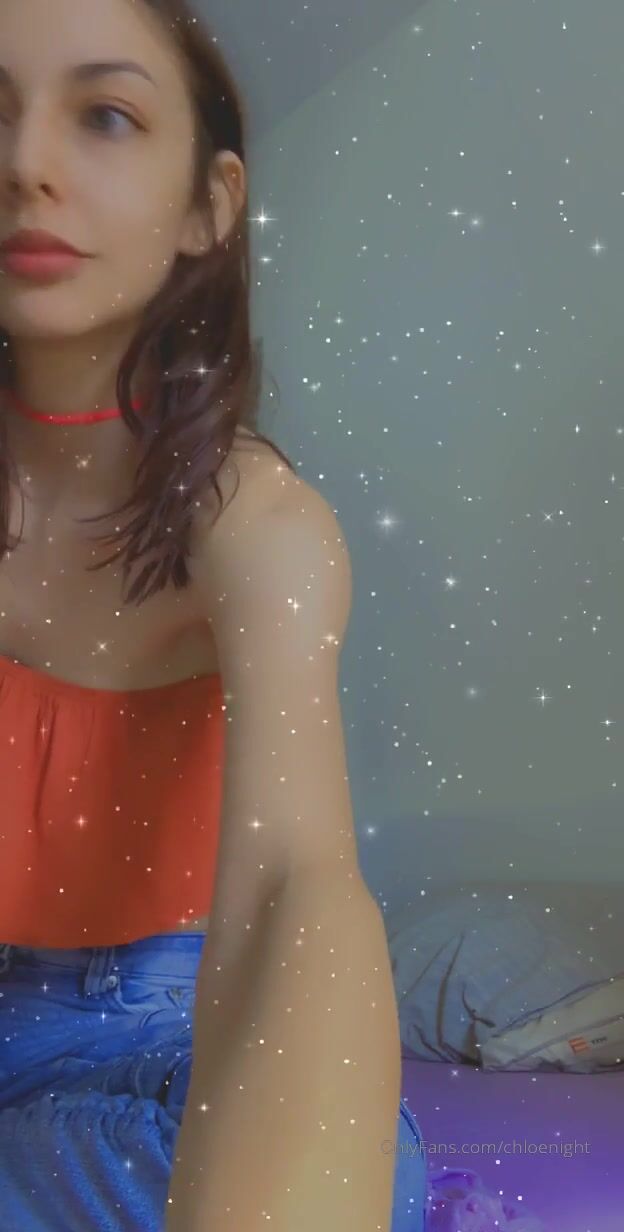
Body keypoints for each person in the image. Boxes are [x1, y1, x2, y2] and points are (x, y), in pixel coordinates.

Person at [0, 1, 428, 1229]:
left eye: (105, 116)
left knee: (356, 1167)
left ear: (210, 204)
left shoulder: (257, 526)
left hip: (153, 1028)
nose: (27, 162)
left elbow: (297, 882)